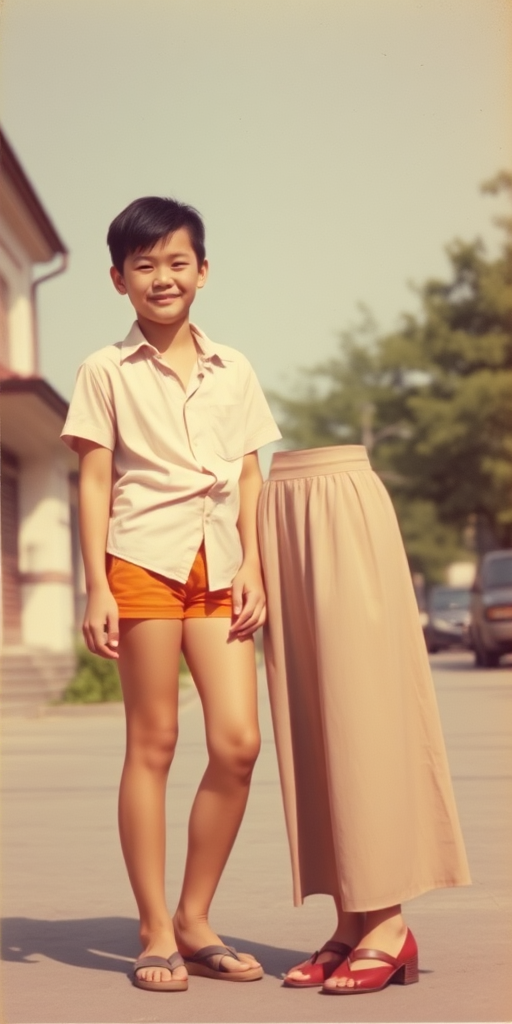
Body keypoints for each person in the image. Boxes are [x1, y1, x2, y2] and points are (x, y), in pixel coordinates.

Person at [61, 196, 281, 992]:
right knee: (152, 742)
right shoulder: (102, 370)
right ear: (119, 279)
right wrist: (97, 585)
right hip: (143, 563)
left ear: (203, 271)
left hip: (222, 569)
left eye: (177, 261)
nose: (163, 277)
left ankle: (195, 916)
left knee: (238, 743)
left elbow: (251, 473)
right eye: (144, 265)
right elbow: (93, 478)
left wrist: (254, 562)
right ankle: (155, 928)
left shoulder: (237, 367)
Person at [257, 445, 471, 994]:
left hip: (341, 500)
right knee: (310, 723)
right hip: (274, 505)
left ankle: (388, 922)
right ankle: (351, 923)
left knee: (364, 717)